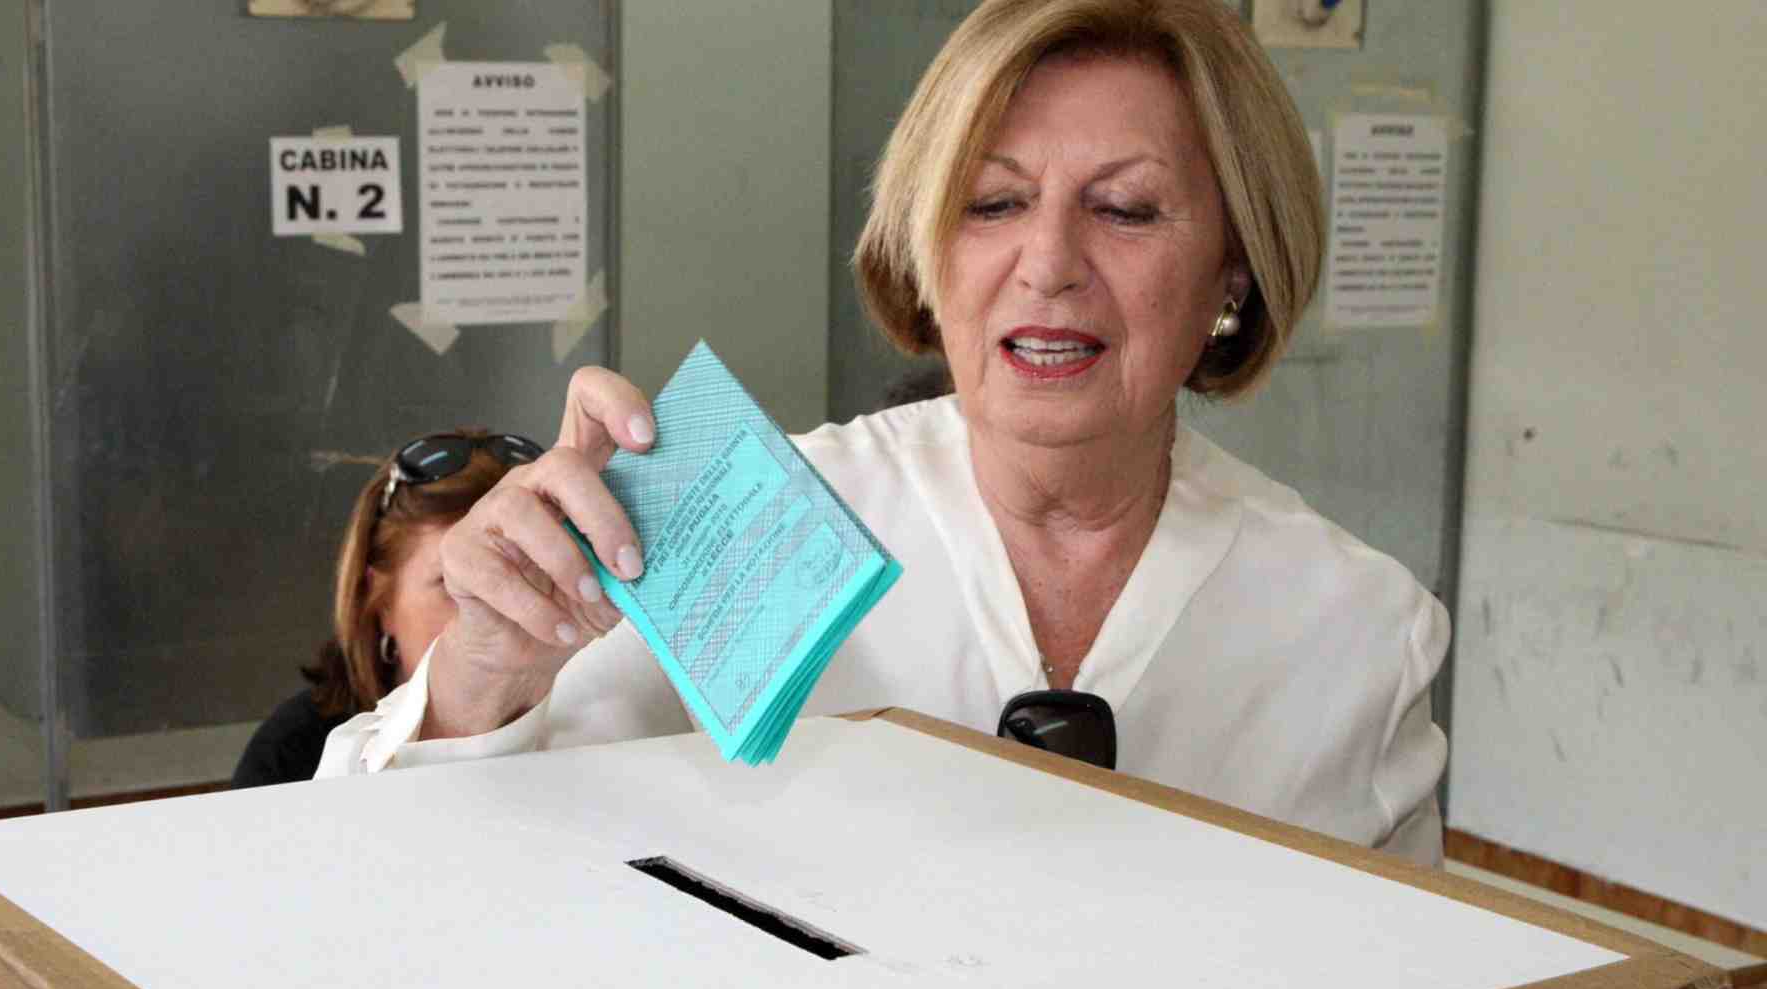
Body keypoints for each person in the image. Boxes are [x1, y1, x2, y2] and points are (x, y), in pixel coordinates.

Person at [316, 0, 1451, 866]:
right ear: (925, 249)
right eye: (993, 203)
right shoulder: (737, 530)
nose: (1048, 264)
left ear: (1232, 275)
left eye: (1125, 209)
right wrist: (483, 677)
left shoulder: (1355, 631)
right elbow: (375, 873)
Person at [231, 430, 539, 787]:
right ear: (380, 600)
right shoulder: (292, 757)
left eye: (529, 575)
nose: (498, 609)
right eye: (453, 583)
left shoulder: (584, 722)